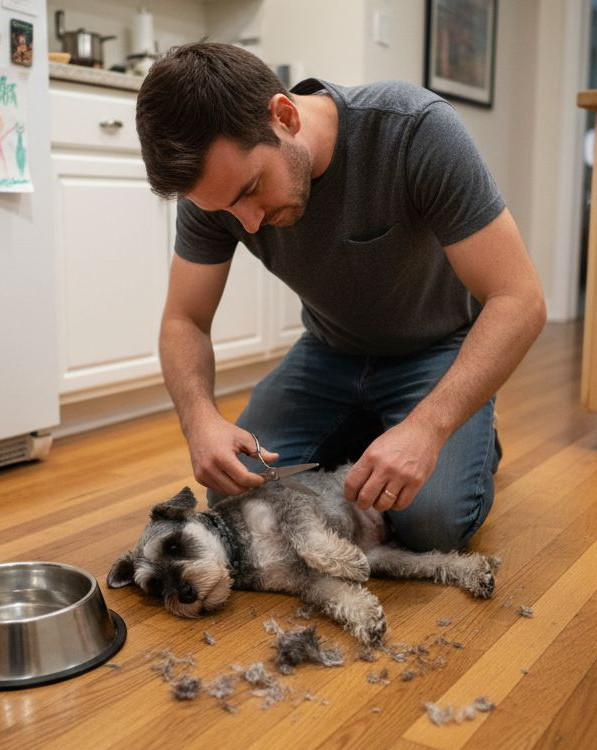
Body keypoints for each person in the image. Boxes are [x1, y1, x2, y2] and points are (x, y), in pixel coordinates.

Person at [135, 43, 546, 552]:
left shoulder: (414, 130)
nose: (249, 224)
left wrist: (428, 428)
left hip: (439, 349)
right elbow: (184, 319)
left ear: (284, 116)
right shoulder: (217, 193)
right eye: (224, 210)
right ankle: (376, 431)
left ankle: (464, 431)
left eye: (252, 189)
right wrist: (199, 421)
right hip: (329, 351)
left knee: (430, 523)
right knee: (232, 489)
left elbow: (519, 299)